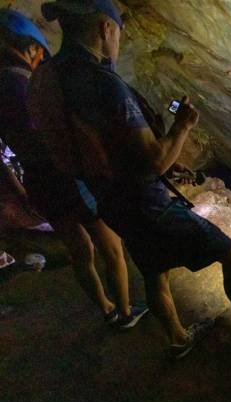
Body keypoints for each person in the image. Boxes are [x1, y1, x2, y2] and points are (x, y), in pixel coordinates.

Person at [30, 0, 231, 358]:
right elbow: (153, 160)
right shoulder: (102, 83)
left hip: (107, 200)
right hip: (144, 202)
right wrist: (182, 126)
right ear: (106, 28)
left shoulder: (51, 77)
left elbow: (100, 145)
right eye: (118, 32)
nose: (118, 40)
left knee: (154, 269)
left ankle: (177, 339)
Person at [0, 8, 146, 327]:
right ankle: (124, 313)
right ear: (30, 48)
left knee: (79, 250)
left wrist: (20, 189)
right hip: (65, 175)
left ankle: (107, 309)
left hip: (38, 183)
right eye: (40, 53)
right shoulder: (26, 84)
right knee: (110, 244)